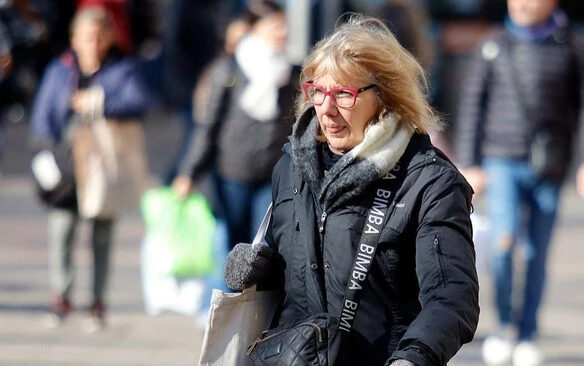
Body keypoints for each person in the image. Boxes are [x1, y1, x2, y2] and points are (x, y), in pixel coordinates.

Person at [224, 14, 479, 366]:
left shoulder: (429, 181)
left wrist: (414, 356)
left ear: (385, 97)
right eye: (317, 90)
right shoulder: (292, 166)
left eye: (343, 94)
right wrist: (257, 270)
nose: (326, 109)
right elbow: (295, 279)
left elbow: (453, 295)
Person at [454, 1, 584, 365]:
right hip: (500, 160)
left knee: (537, 253)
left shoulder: (571, 46)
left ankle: (527, 333)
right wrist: (470, 165)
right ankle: (505, 324)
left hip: (549, 165)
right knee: (503, 245)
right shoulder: (493, 46)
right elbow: (472, 107)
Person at [29, 6, 147, 330]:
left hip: (104, 165)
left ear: (108, 38)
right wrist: (42, 152)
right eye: (86, 38)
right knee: (61, 231)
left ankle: (98, 302)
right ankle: (60, 297)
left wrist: (99, 101)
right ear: (74, 39)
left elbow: (138, 102)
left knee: (102, 236)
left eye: (98, 37)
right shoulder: (59, 69)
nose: (92, 44)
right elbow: (42, 116)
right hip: (66, 163)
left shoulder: (121, 68)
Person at [172, 0, 295, 257]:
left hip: (273, 176)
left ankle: (262, 298)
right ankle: (235, 297)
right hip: (233, 175)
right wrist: (189, 173)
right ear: (254, 28)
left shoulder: (293, 72)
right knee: (236, 248)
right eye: (275, 25)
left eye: (284, 25)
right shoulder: (229, 69)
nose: (282, 32)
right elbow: (208, 127)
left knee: (264, 246)